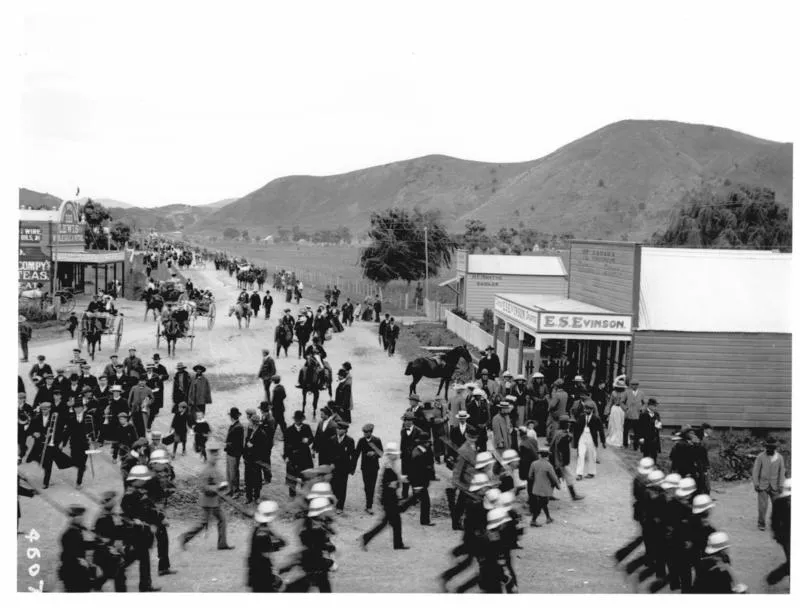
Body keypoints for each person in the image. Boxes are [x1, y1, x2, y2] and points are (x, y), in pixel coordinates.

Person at [180, 441, 235, 551]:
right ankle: (185, 537)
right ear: (209, 456)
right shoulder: (207, 470)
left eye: (217, 455)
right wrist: (217, 487)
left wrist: (224, 486)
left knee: (222, 520)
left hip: (215, 501)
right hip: (208, 501)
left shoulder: (214, 468)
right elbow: (202, 486)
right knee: (202, 523)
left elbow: (220, 481)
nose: (216, 457)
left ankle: (222, 544)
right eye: (214, 455)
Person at [360, 442, 409, 550]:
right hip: (389, 500)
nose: (397, 456)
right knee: (389, 523)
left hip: (389, 499)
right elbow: (390, 485)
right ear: (390, 455)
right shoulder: (389, 468)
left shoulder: (390, 466)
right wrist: (399, 482)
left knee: (391, 522)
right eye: (395, 454)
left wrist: (401, 479)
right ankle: (367, 537)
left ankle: (397, 544)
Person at [247, 501, 286, 592]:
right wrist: (276, 545)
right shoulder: (262, 534)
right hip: (261, 571)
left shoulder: (259, 529)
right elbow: (266, 553)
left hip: (256, 569)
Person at [58, 505, 95, 592]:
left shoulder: (75, 530)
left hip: (74, 569)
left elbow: (80, 545)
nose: (83, 519)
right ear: (75, 518)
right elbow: (73, 551)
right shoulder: (71, 533)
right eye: (81, 517)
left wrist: (95, 544)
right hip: (74, 571)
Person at [752, 437, 786, 530]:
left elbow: (782, 472)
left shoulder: (780, 458)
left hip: (775, 486)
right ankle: (761, 523)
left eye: (772, 447)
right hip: (762, 486)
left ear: (775, 448)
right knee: (762, 507)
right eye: (768, 447)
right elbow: (756, 471)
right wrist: (756, 483)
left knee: (777, 506)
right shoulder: (760, 457)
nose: (770, 449)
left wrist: (781, 485)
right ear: (765, 447)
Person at [284, 411, 315, 497]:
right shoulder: (289, 430)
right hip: (293, 457)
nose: (298, 421)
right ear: (294, 420)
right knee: (292, 480)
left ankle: (304, 499)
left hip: (305, 457)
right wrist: (286, 456)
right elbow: (286, 445)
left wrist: (308, 440)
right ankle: (292, 499)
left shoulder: (306, 428)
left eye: (299, 419)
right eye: (296, 419)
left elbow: (312, 438)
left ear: (302, 419)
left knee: (305, 479)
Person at [766, 478, 791, 585]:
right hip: (786, 537)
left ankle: (773, 577)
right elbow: (774, 520)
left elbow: (774, 521)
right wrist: (778, 535)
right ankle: (773, 577)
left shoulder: (778, 502)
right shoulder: (779, 502)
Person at [353, 423, 382, 514]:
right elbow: (356, 454)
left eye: (367, 432)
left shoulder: (376, 440)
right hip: (364, 467)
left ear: (371, 432)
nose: (365, 434)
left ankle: (369, 506)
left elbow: (381, 453)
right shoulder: (361, 441)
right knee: (367, 486)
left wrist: (374, 453)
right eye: (364, 432)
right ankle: (368, 502)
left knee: (372, 486)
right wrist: (353, 467)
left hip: (374, 467)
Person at [573, 400, 604, 480]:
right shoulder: (581, 417)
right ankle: (579, 474)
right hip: (582, 436)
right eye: (586, 409)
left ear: (592, 410)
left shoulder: (596, 418)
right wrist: (575, 440)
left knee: (592, 455)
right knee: (581, 454)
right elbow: (576, 428)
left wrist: (603, 441)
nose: (587, 410)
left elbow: (601, 430)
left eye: (589, 409)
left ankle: (591, 472)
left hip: (591, 437)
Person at [329, 421, 356, 513]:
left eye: (340, 429)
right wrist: (330, 464)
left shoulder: (350, 441)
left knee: (342, 486)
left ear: (345, 430)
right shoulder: (332, 439)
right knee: (333, 485)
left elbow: (353, 456)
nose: (338, 430)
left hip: (344, 468)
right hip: (333, 467)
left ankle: (340, 506)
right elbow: (329, 454)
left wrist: (352, 468)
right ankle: (333, 502)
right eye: (337, 428)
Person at [529, 445, 559, 526]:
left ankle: (548, 517)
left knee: (543, 503)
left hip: (536, 488)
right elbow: (554, 477)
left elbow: (530, 476)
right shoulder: (548, 465)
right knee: (542, 503)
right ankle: (533, 520)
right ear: (547, 455)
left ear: (540, 455)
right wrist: (558, 486)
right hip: (545, 489)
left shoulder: (534, 463)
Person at [224, 407, 244, 496]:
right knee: (229, 472)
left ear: (231, 416)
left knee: (234, 473)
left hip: (234, 453)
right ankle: (230, 489)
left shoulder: (238, 427)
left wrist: (228, 444)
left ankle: (236, 491)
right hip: (230, 452)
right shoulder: (234, 425)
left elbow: (236, 442)